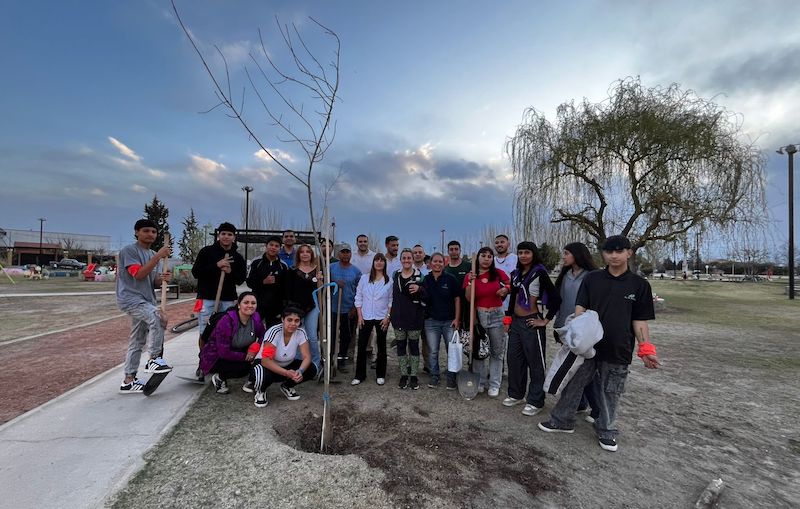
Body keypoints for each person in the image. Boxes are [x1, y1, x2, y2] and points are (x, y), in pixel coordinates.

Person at [538, 235, 660, 453]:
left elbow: (639, 320)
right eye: (609, 251)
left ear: (629, 253)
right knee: (573, 382)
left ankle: (607, 430)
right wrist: (576, 335)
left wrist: (645, 348)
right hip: (588, 347)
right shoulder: (593, 279)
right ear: (603, 253)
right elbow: (580, 308)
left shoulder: (639, 285)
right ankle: (562, 420)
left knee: (610, 391)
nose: (614, 255)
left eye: (619, 251)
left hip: (618, 347)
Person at [503, 241, 561, 415]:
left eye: (527, 252)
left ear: (533, 254)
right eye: (520, 252)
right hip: (516, 321)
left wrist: (545, 320)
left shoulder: (539, 273)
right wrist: (508, 318)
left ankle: (536, 400)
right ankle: (516, 393)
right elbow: (513, 297)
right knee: (514, 359)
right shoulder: (516, 274)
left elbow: (556, 299)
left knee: (535, 362)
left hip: (531, 322)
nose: (523, 256)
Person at [116, 219, 173, 393]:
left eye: (153, 232)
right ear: (136, 232)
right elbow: (138, 274)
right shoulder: (129, 251)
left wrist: (162, 279)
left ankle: (129, 380)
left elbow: (150, 281)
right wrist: (158, 257)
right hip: (131, 299)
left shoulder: (151, 254)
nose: (150, 234)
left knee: (137, 341)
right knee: (157, 317)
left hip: (146, 299)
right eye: (146, 231)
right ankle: (154, 358)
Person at [553, 242, 599, 421]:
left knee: (584, 370)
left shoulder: (591, 276)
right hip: (566, 328)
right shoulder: (565, 275)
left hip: (583, 330)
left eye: (566, 253)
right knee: (572, 368)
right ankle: (580, 403)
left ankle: (597, 408)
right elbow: (560, 301)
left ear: (577, 255)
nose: (563, 257)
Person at [463, 246, 510, 398]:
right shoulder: (471, 275)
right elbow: (469, 298)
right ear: (478, 258)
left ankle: (494, 384)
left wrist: (506, 289)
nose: (487, 259)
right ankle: (480, 382)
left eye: (490, 256)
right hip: (479, 315)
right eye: (483, 256)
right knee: (479, 351)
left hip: (497, 314)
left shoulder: (498, 274)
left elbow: (511, 284)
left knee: (497, 352)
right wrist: (471, 283)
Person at [200, 292, 266, 395]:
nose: (250, 306)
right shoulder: (226, 321)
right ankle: (219, 378)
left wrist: (255, 348)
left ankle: (252, 380)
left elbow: (263, 336)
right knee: (244, 367)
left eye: (253, 303)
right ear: (239, 305)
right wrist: (247, 357)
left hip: (238, 351)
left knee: (261, 358)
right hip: (215, 357)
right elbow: (223, 352)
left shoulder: (256, 318)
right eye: (246, 302)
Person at [252, 307, 318, 408]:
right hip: (266, 365)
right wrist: (286, 373)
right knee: (261, 377)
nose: (293, 324)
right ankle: (260, 391)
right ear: (283, 319)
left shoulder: (301, 332)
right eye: (289, 320)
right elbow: (265, 361)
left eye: (297, 321)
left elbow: (307, 356)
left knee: (312, 368)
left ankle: (287, 386)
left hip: (286, 365)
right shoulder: (274, 331)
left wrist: (299, 371)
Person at [191, 222, 247, 334]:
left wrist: (230, 272)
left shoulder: (238, 257)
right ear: (219, 236)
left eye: (229, 234)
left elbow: (240, 280)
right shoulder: (206, 252)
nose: (226, 236)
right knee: (205, 331)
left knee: (226, 331)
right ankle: (204, 352)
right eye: (223, 233)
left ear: (234, 237)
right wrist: (216, 266)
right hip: (207, 298)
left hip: (228, 299)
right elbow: (196, 273)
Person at [351, 253, 393, 386]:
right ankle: (359, 375)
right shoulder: (364, 279)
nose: (379, 263)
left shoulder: (389, 281)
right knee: (362, 345)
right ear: (373, 262)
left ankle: (380, 374)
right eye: (377, 260)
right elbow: (358, 297)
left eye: (382, 261)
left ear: (385, 264)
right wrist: (360, 316)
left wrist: (387, 317)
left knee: (381, 346)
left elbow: (391, 300)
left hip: (381, 317)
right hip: (366, 317)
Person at [421, 253, 461, 389]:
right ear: (430, 263)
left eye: (440, 261)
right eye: (435, 261)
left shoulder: (451, 279)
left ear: (444, 263)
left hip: (449, 321)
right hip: (431, 321)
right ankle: (434, 375)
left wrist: (457, 318)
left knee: (451, 350)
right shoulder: (425, 280)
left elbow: (457, 299)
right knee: (433, 350)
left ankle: (451, 377)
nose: (437, 264)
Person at [284, 244, 323, 370]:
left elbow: (322, 290)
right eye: (302, 252)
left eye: (308, 252)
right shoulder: (292, 270)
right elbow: (288, 290)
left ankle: (315, 363)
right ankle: (299, 362)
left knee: (311, 335)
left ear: (311, 254)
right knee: (297, 334)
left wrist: (320, 280)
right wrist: (289, 307)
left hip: (312, 305)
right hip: (296, 307)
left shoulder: (318, 270)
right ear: (298, 254)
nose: (305, 254)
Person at [391, 248, 426, 389]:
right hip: (398, 317)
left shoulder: (420, 276)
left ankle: (414, 376)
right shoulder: (395, 275)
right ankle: (404, 374)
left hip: (415, 318)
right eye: (404, 258)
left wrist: (420, 290)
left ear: (413, 260)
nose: (406, 260)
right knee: (400, 346)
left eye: (409, 258)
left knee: (413, 346)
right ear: (400, 260)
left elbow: (427, 295)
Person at [330, 243, 362, 372]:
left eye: (347, 252)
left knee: (346, 337)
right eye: (342, 252)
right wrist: (334, 283)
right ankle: (329, 360)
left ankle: (341, 360)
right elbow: (323, 284)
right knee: (331, 336)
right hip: (332, 308)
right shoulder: (331, 268)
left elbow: (360, 292)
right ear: (338, 254)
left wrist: (354, 308)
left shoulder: (356, 271)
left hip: (348, 310)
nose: (345, 254)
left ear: (350, 254)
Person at [246, 236, 288, 329]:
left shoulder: (283, 266)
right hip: (258, 304)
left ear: (280, 249)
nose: (273, 247)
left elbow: (286, 287)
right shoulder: (256, 262)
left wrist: (284, 304)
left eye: (276, 246)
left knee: (273, 331)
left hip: (276, 306)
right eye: (271, 245)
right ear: (266, 246)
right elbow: (249, 282)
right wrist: (263, 282)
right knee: (253, 329)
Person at [493, 234, 518, 309]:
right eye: (497, 243)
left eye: (502, 242)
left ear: (508, 244)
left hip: (513, 303)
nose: (499, 244)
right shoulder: (491, 261)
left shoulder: (515, 258)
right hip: (495, 304)